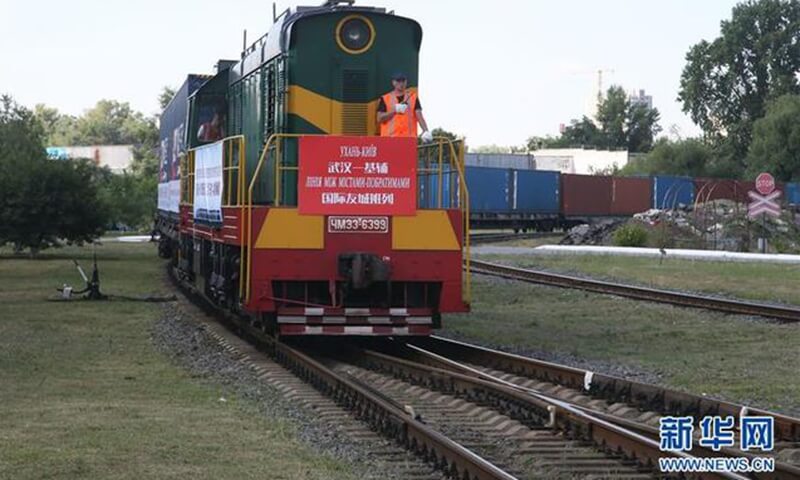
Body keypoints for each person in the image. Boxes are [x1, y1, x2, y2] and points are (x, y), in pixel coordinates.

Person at [377, 72, 433, 142]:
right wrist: (395, 110)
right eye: (398, 81)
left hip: (408, 140)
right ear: (393, 82)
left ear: (406, 82)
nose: (401, 83)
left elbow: (419, 116)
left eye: (403, 81)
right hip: (389, 140)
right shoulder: (385, 98)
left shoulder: (413, 97)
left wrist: (426, 131)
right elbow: (379, 118)